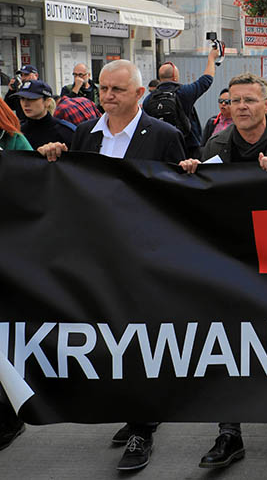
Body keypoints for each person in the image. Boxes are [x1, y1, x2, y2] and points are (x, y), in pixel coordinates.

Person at [36, 60, 184, 472]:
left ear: (140, 94)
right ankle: (130, 409)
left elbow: (182, 196)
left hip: (145, 257)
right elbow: (71, 183)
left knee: (140, 342)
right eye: (102, 88)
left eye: (117, 89)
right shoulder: (85, 134)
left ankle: (142, 427)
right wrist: (49, 156)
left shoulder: (164, 135)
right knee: (108, 337)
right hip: (98, 254)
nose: (107, 96)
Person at [178, 73, 267, 469]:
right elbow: (204, 199)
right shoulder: (217, 143)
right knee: (229, 342)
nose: (240, 107)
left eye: (249, 100)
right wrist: (190, 172)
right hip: (233, 257)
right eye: (234, 101)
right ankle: (229, 432)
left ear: (266, 103)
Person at [143, 47, 219, 156]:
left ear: (160, 78)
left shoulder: (149, 99)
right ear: (175, 77)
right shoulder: (184, 92)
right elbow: (207, 80)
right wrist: (211, 58)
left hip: (161, 149)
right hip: (188, 147)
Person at [13, 81, 76, 149]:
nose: (25, 104)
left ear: (47, 102)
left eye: (31, 99)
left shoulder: (65, 132)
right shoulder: (17, 132)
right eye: (22, 98)